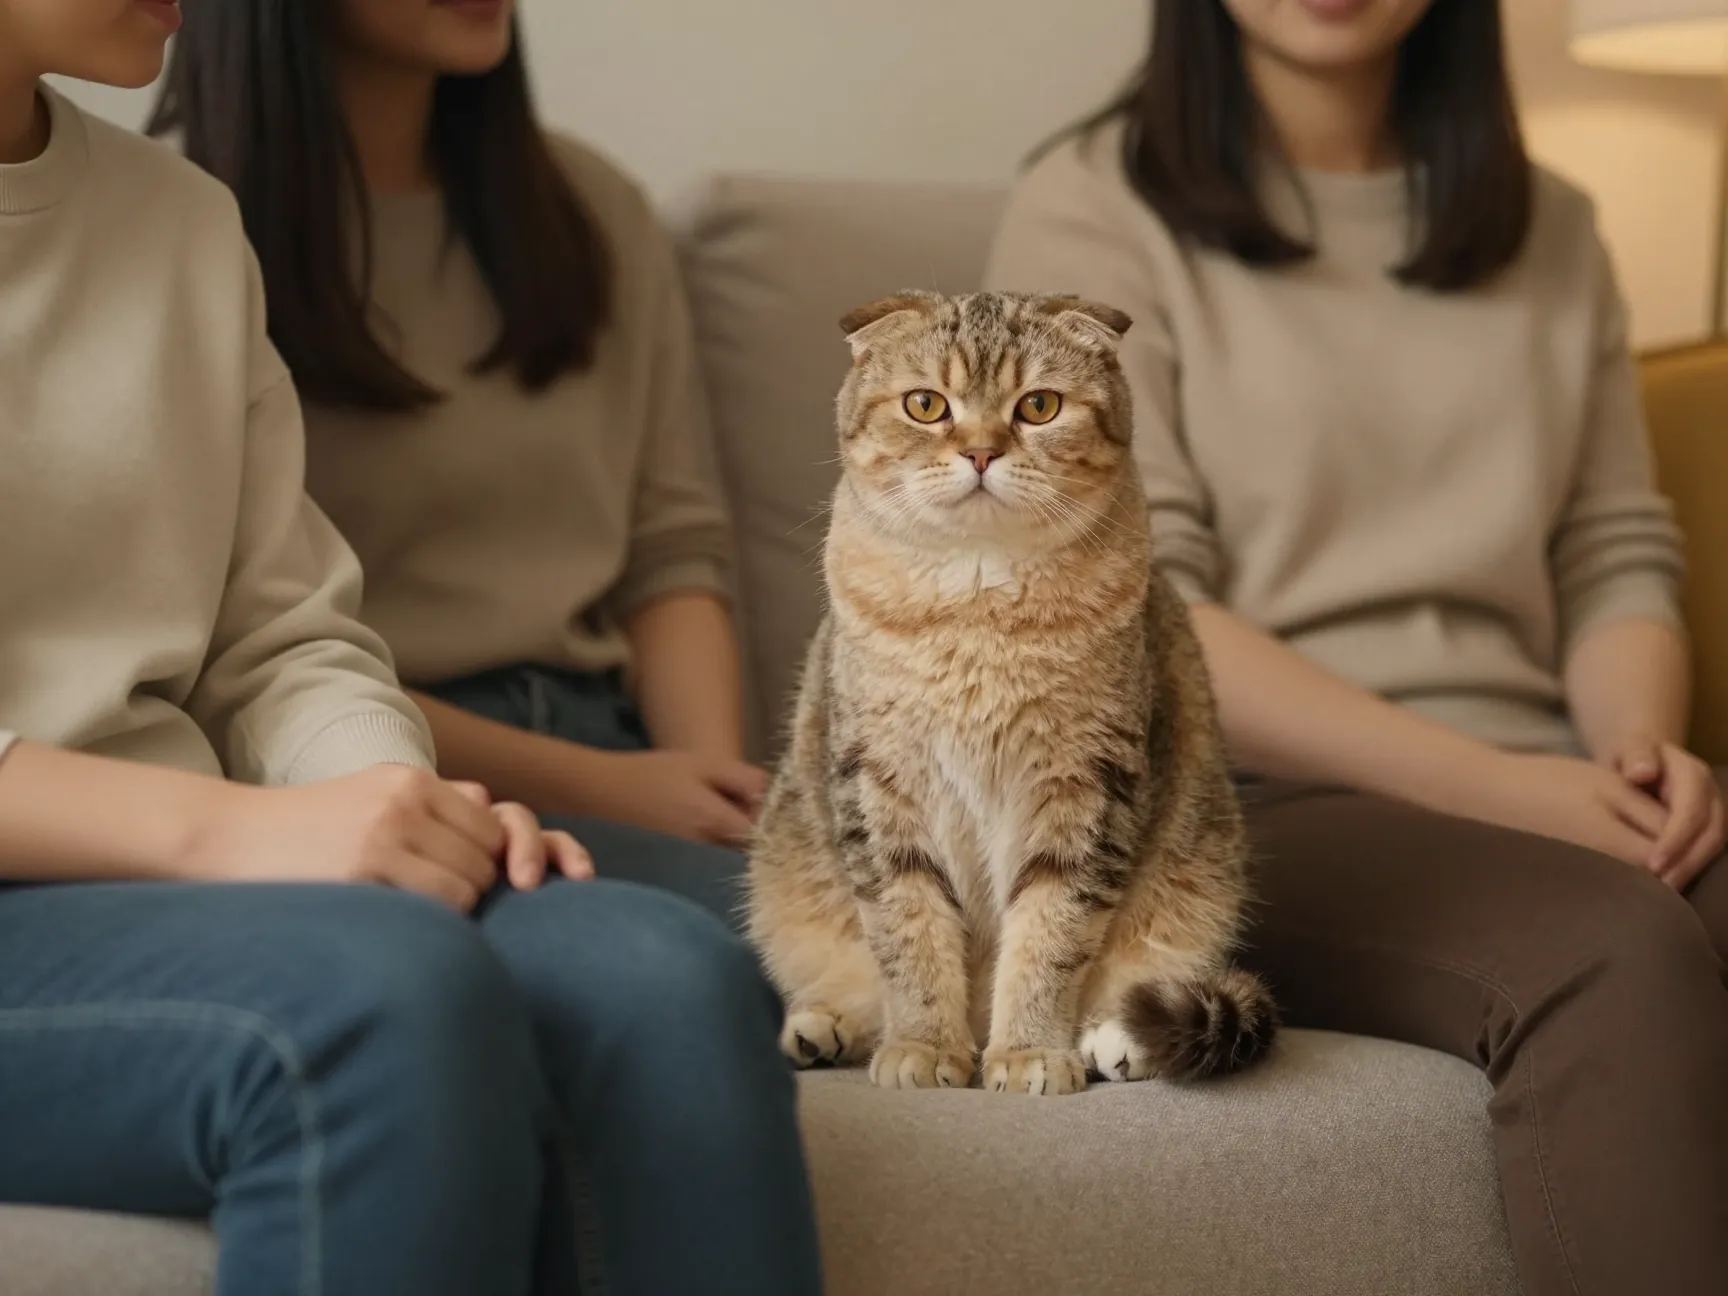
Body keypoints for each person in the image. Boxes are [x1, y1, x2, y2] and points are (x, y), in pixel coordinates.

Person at [0, 4, 822, 1294]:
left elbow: (279, 638)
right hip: (109, 887)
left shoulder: (178, 225)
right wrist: (240, 836)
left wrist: (401, 803)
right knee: (383, 997)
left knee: (666, 980)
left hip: (171, 892)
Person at [985, 2, 1728, 1293]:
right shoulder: (1091, 209)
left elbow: (1611, 548)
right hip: (1233, 795)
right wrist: (1511, 792)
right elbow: (1148, 605)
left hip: (1538, 770)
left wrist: (1636, 762)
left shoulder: (1552, 227)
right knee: (1617, 946)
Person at [150, 0, 764, 923]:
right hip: (371, 762)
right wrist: (607, 787)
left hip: (617, 737)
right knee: (713, 959)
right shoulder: (182, 228)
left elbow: (670, 552)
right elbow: (253, 652)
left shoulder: (591, 207)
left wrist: (711, 793)